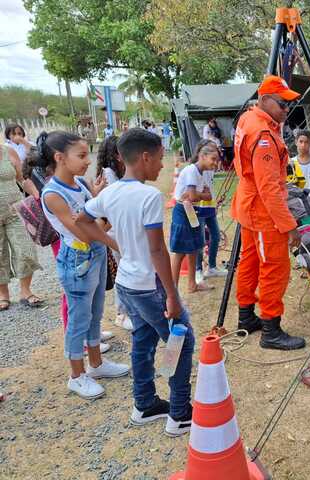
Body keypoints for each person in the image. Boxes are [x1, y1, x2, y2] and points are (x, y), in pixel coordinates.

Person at [79, 128, 195, 436]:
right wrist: (172, 295)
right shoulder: (149, 196)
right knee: (181, 341)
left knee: (143, 341)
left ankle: (144, 404)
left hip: (126, 284)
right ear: (144, 157)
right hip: (149, 286)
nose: (161, 165)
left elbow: (81, 219)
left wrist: (113, 243)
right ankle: (180, 413)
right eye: (159, 158)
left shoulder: (110, 192)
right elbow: (157, 249)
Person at [39, 131, 129, 399]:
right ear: (59, 158)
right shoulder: (53, 194)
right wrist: (109, 234)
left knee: (95, 313)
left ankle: (96, 364)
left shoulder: (79, 182)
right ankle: (76, 376)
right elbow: (83, 232)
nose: (88, 161)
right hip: (78, 259)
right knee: (79, 318)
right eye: (81, 155)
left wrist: (97, 203)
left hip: (96, 254)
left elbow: (92, 220)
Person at [231, 75, 306, 350]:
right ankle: (271, 330)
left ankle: (246, 317)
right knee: (274, 267)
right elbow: (269, 188)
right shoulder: (263, 134)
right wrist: (289, 226)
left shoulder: (248, 120)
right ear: (264, 100)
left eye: (290, 103)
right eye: (282, 103)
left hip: (249, 206)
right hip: (263, 212)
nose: (287, 109)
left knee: (249, 261)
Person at [95, 135, 134, 331]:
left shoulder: (114, 172)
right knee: (121, 272)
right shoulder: (109, 173)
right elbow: (117, 202)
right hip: (113, 231)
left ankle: (127, 310)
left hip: (119, 229)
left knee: (123, 269)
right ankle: (121, 313)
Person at [169, 139, 217, 293]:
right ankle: (172, 290)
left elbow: (196, 195)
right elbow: (191, 195)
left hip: (192, 212)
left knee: (194, 248)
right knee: (180, 252)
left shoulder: (201, 173)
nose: (215, 163)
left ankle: (192, 284)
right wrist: (203, 195)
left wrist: (199, 195)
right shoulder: (191, 171)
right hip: (183, 211)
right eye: (213, 159)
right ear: (202, 156)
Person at [0, 145, 42, 311]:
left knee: (25, 249)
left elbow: (22, 178)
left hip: (15, 211)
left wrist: (36, 195)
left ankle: (25, 291)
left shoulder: (7, 151)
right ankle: (3, 294)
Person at [193, 140, 227, 279]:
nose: (215, 158)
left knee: (216, 236)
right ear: (203, 153)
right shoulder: (195, 169)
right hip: (199, 208)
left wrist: (214, 200)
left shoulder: (210, 169)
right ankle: (198, 270)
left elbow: (209, 186)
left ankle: (212, 267)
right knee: (200, 240)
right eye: (212, 153)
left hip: (209, 207)